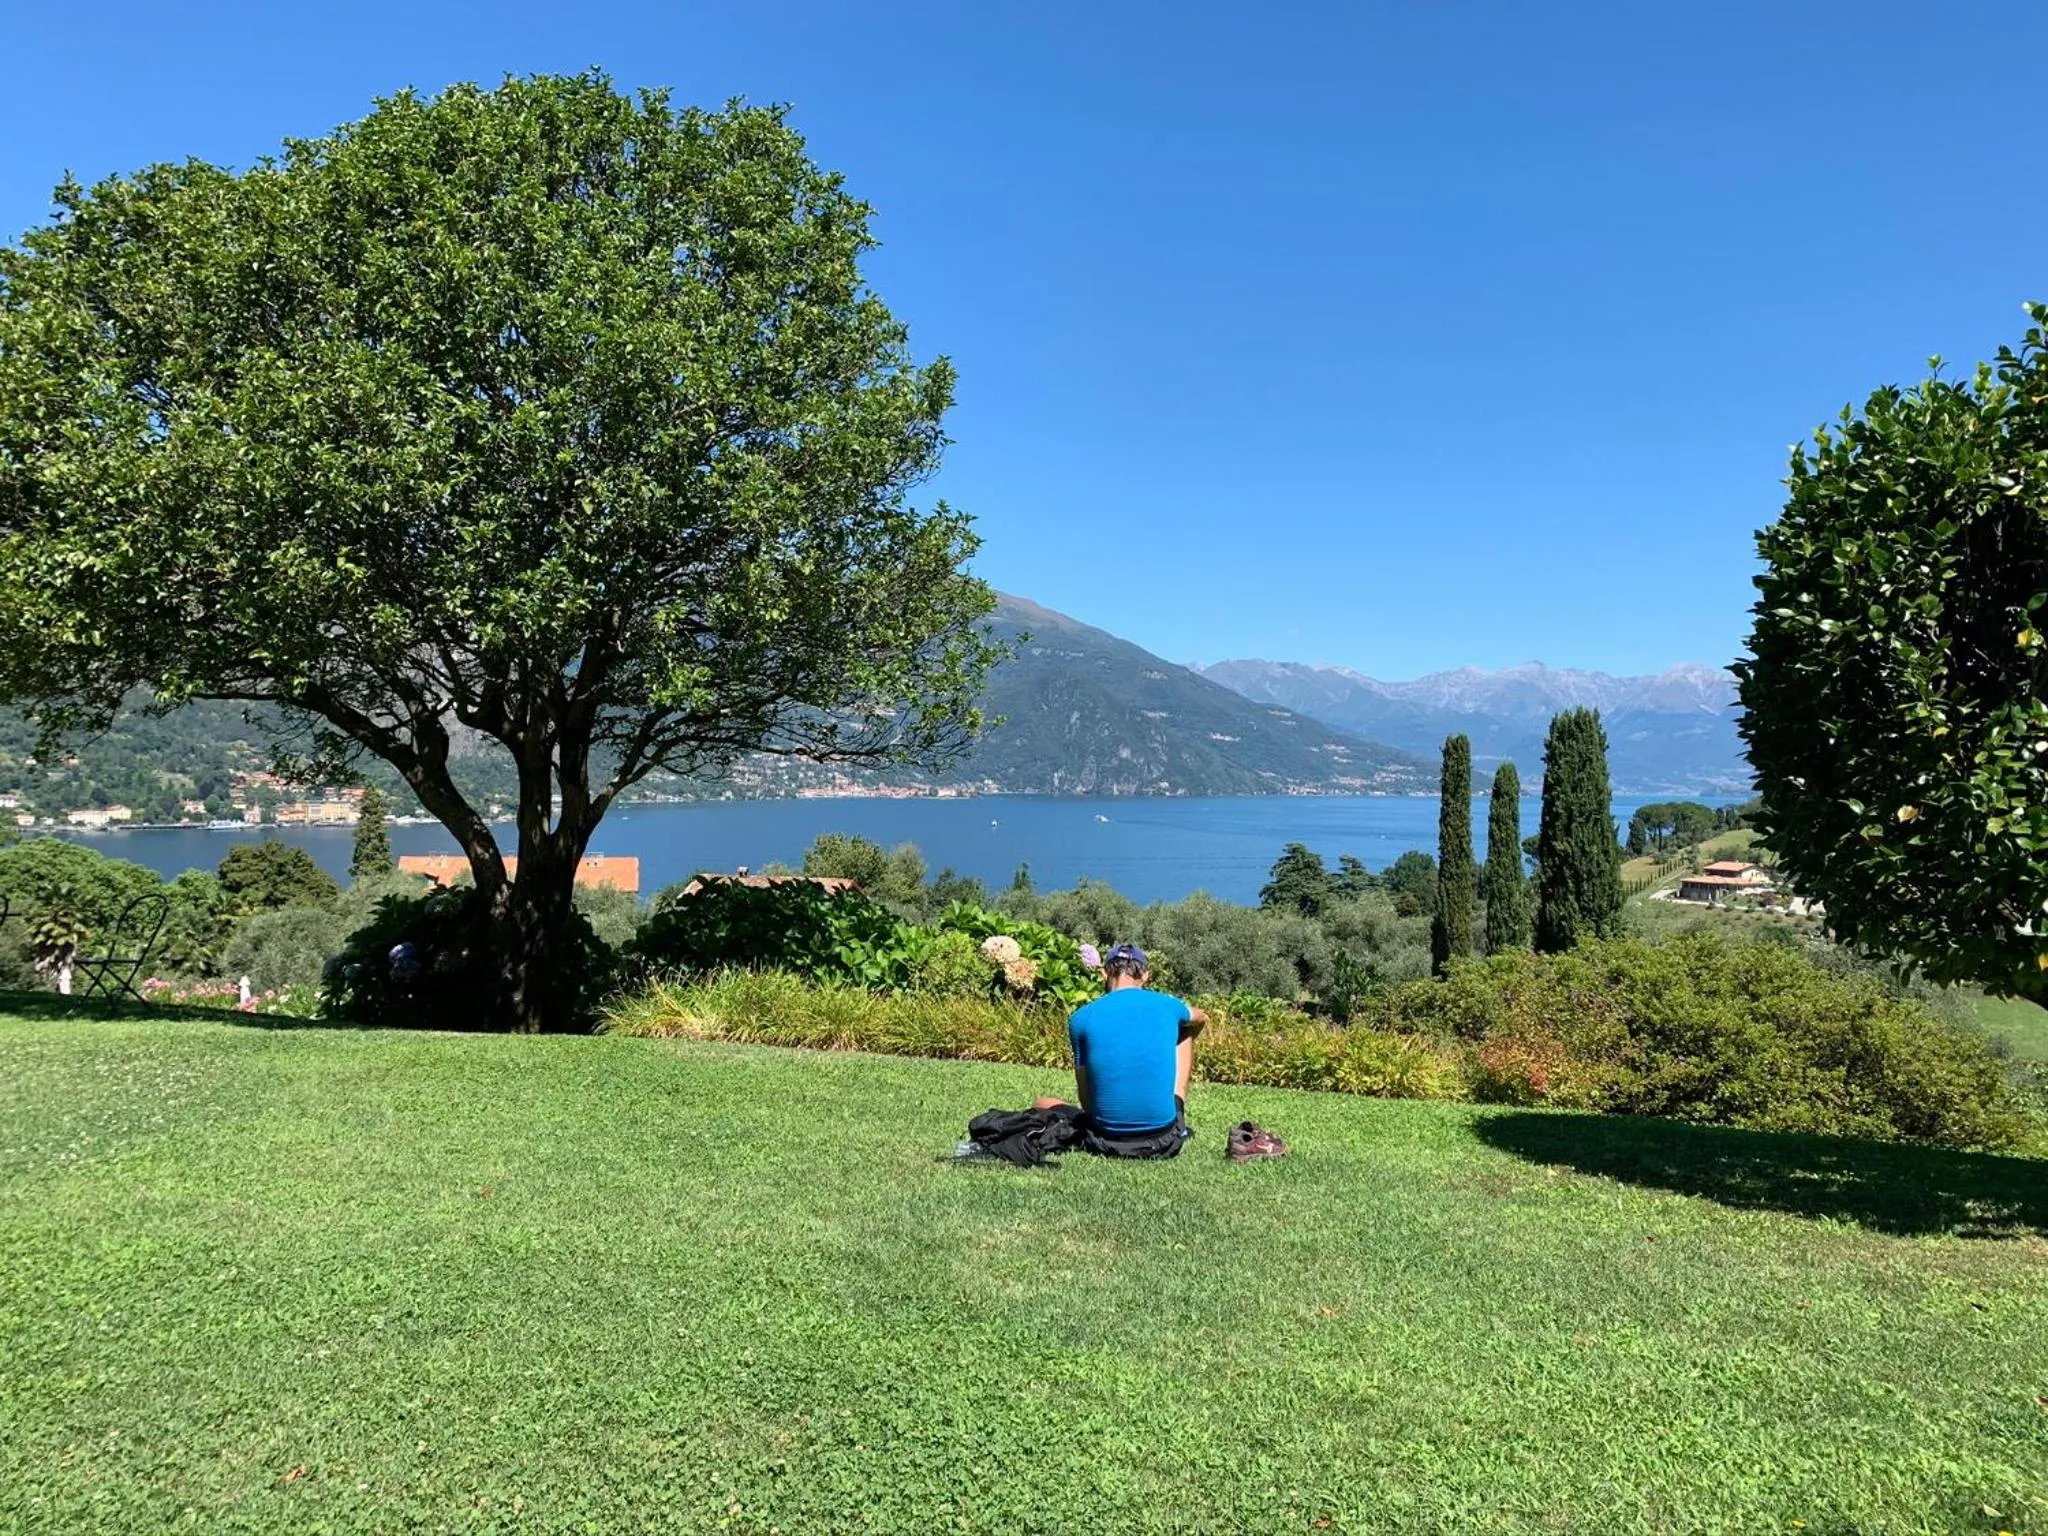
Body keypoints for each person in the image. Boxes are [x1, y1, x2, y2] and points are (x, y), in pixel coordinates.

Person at [1036, 942, 1206, 1159]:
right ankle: (1177, 1105)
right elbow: (1201, 1016)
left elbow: (1086, 1097)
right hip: (1165, 1140)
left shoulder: (1081, 1018)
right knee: (1185, 1031)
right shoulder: (1168, 1005)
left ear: (1104, 973)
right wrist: (1184, 1033)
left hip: (1105, 1140)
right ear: (1145, 975)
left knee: (1042, 1103)